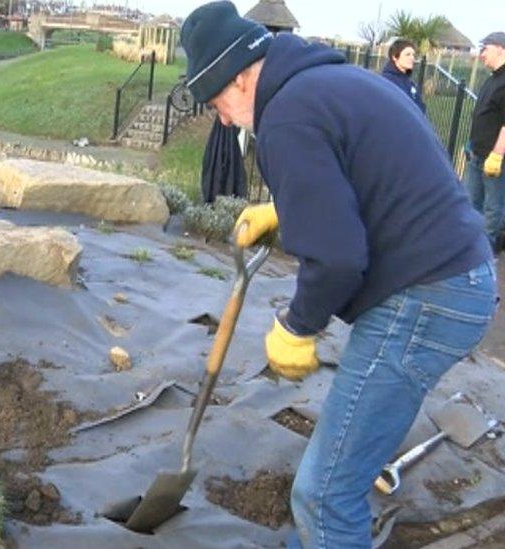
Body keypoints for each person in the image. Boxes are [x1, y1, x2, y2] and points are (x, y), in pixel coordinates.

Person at [180, 2, 497, 547]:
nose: (225, 119)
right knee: (344, 465)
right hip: (458, 277)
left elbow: (338, 259)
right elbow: (376, 174)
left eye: (219, 103)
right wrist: (290, 210)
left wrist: (298, 326)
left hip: (426, 297)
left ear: (240, 74)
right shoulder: (336, 80)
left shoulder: (285, 118)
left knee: (325, 494)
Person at [464, 31, 505, 253]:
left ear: (501, 48)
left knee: (492, 209)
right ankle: (469, 250)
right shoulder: (492, 79)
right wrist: (471, 144)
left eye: (485, 48)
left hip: (494, 160)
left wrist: (497, 155)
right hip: (476, 156)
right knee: (471, 205)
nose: (481, 54)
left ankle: (485, 254)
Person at [380, 38, 426, 113]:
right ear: (394, 57)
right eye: (407, 54)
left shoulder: (408, 82)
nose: (412, 58)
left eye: (413, 55)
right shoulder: (388, 81)